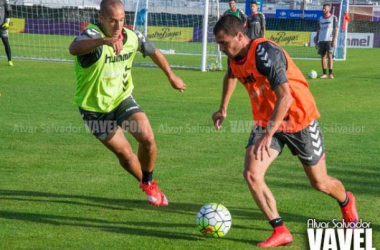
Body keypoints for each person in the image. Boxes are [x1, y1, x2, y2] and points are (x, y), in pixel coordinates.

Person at [212, 15, 358, 248]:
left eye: (223, 43)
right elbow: (231, 74)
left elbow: (286, 96)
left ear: (240, 36)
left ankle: (347, 201)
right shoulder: (234, 56)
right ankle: (280, 230)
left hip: (299, 120)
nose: (221, 49)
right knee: (251, 174)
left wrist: (269, 133)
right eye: (218, 44)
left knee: (319, 182)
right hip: (266, 122)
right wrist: (223, 108)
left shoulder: (265, 53)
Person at [69, 0, 186, 206]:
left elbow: (154, 51)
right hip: (94, 110)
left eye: (122, 20)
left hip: (122, 99)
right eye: (112, 20)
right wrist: (103, 41)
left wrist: (171, 76)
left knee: (147, 138)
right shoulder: (92, 37)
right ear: (101, 19)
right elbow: (74, 48)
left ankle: (149, 183)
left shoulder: (133, 37)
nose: (118, 26)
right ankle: (143, 182)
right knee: (124, 153)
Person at [316, 4, 338, 79]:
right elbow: (318, 30)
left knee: (330, 55)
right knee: (322, 56)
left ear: (329, 9)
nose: (323, 10)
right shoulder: (320, 19)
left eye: (325, 8)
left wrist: (334, 40)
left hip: (329, 39)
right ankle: (324, 73)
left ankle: (331, 74)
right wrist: (316, 41)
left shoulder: (333, 18)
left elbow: (336, 29)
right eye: (323, 8)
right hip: (321, 40)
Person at [0, 0, 13, 66]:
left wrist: (7, 22)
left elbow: (9, 11)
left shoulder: (4, 1)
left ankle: (9, 60)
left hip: (2, 25)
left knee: (6, 42)